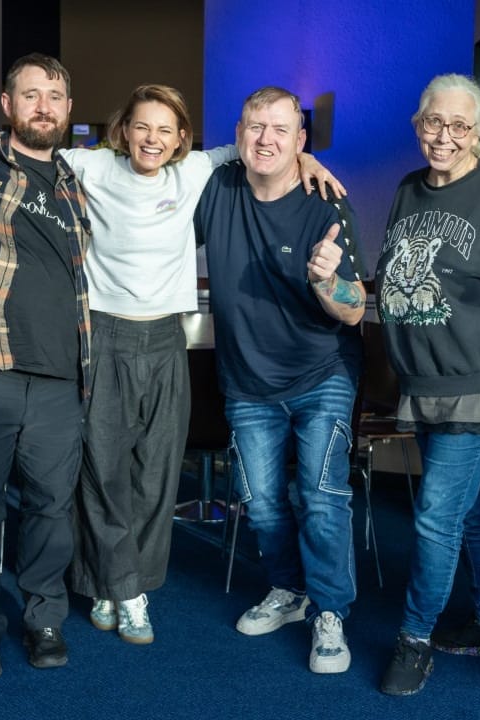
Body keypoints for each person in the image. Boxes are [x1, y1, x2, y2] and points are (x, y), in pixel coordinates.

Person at [0, 85, 344, 646]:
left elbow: (262, 147)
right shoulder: (90, 164)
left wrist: (306, 155)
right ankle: (127, 592)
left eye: (166, 130)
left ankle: (116, 584)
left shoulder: (193, 169)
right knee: (103, 470)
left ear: (181, 138)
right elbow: (29, 143)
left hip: (166, 338)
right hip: (103, 334)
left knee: (157, 474)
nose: (153, 139)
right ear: (124, 130)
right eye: (143, 127)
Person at [193, 86, 367, 674]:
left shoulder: (326, 203)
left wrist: (327, 281)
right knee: (262, 505)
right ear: (237, 132)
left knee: (320, 498)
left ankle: (331, 612)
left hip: (322, 372)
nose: (264, 139)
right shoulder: (216, 188)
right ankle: (289, 591)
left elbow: (354, 310)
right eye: (253, 127)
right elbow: (149, 172)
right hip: (247, 380)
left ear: (301, 140)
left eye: (279, 130)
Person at [374, 73, 480, 697]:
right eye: (433, 123)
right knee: (461, 510)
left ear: (478, 132)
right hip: (426, 382)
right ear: (418, 124)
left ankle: (414, 639)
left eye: (459, 126)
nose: (444, 136)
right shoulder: (409, 190)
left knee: (435, 513)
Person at [0, 52, 91, 681]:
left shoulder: (74, 180)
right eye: (30, 95)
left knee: (50, 510)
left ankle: (43, 618)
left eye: (55, 96)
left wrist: (301, 155)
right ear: (5, 106)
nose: (44, 106)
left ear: (67, 109)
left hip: (63, 377)